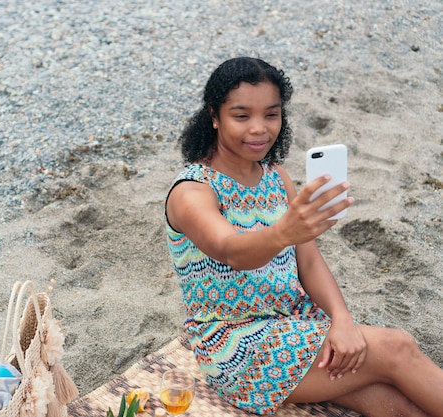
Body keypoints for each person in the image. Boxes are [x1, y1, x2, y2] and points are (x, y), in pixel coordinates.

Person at [164, 56, 443, 416]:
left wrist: (342, 319)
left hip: (297, 323)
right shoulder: (193, 191)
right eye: (242, 115)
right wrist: (282, 233)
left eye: (271, 114)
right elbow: (230, 250)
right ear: (214, 116)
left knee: (394, 402)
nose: (260, 129)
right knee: (398, 348)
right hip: (239, 348)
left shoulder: (276, 177)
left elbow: (308, 260)